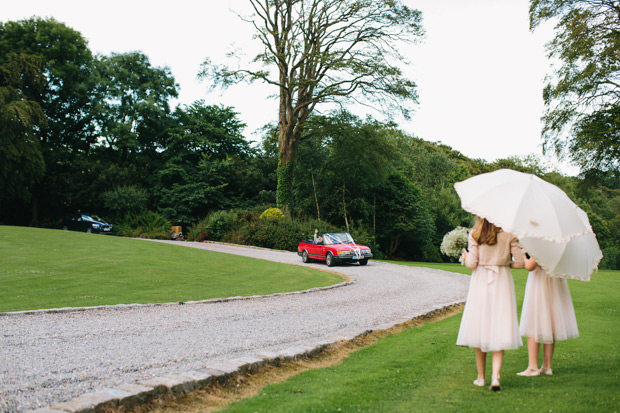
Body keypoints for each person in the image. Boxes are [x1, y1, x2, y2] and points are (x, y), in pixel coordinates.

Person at [457, 217, 525, 391]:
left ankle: (481, 378)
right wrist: (503, 263)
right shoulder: (510, 234)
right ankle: (496, 377)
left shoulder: (475, 234)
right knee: (499, 327)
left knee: (480, 327)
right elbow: (520, 263)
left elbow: (472, 264)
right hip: (501, 280)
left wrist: (465, 257)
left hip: (480, 281)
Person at [516, 252, 579, 376]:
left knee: (533, 322)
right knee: (550, 323)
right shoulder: (558, 244)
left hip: (540, 283)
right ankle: (547, 366)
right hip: (554, 283)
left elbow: (530, 266)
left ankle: (533, 367)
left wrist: (523, 254)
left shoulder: (539, 243)